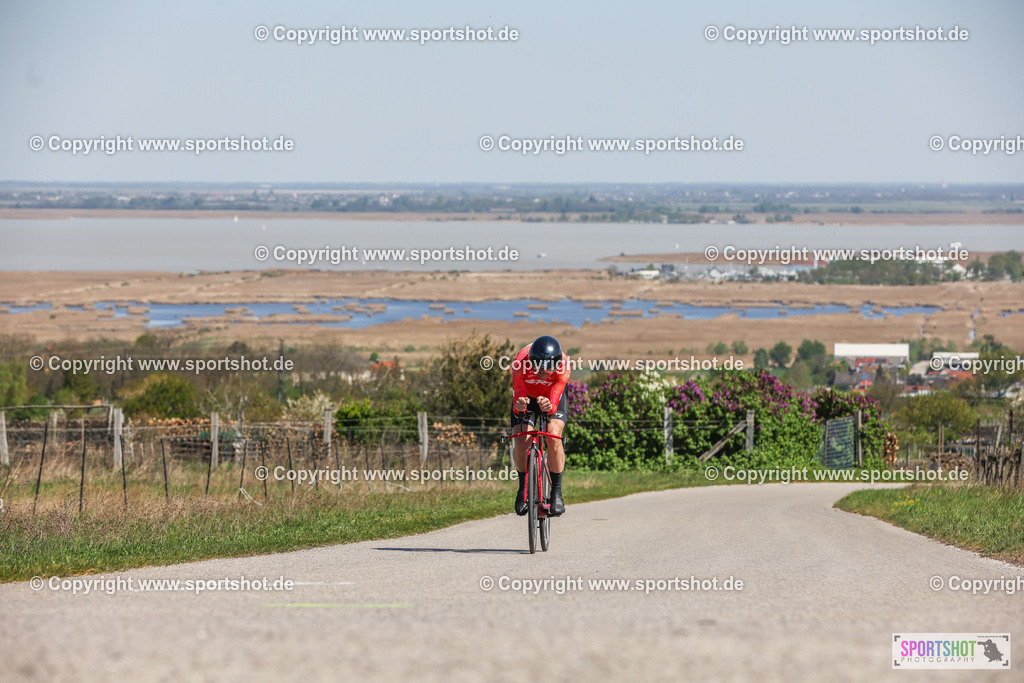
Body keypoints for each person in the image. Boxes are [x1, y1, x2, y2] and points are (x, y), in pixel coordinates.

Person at [509, 335, 570, 516]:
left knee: (553, 437)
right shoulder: (520, 362)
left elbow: (554, 401)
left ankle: (557, 493)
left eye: (548, 368)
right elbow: (518, 397)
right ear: (531, 361)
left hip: (551, 397)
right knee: (521, 442)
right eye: (538, 368)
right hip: (528, 397)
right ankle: (522, 489)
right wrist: (519, 404)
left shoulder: (563, 366)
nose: (543, 372)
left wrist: (549, 406)